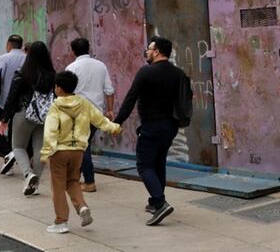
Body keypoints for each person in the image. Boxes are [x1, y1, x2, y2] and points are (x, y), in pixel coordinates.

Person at [113, 36, 188, 226]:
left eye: (149, 48)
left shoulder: (146, 72)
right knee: (158, 163)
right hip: (170, 127)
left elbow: (130, 99)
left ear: (156, 52)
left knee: (144, 165)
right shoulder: (178, 73)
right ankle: (155, 202)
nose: (146, 51)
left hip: (151, 126)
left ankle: (161, 203)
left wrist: (117, 122)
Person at [40, 70, 122, 234]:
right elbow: (99, 119)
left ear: (59, 89)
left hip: (59, 152)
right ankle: (82, 207)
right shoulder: (84, 103)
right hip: (79, 151)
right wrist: (114, 128)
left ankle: (61, 221)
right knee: (73, 181)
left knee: (58, 186)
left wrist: (46, 152)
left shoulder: (55, 107)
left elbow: (50, 132)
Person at [0, 40, 55, 197]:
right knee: (40, 150)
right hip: (45, 116)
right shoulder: (52, 75)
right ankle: (34, 184)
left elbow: (12, 97)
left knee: (18, 146)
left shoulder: (22, 73)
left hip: (24, 114)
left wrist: (4, 119)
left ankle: (29, 175)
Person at [64, 37, 115, 193]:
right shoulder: (100, 66)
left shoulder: (71, 68)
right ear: (89, 48)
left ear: (73, 51)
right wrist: (110, 110)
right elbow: (109, 90)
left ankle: (89, 181)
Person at [0, 34, 26, 174]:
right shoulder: (26, 58)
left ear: (9, 44)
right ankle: (12, 156)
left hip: (3, 102)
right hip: (20, 102)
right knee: (13, 131)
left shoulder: (3, 58)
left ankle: (7, 154)